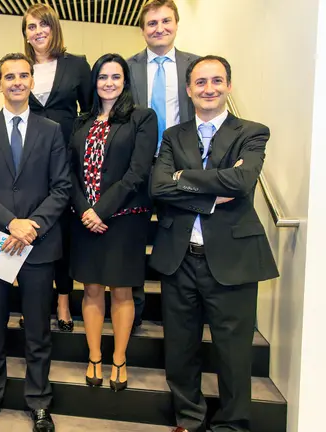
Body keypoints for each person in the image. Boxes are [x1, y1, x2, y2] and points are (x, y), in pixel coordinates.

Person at [149, 56, 279, 432]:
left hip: (233, 259)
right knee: (180, 348)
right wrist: (210, 192)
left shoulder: (252, 132)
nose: (209, 88)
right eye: (201, 82)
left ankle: (232, 425)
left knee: (234, 352)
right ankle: (188, 419)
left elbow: (242, 182)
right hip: (179, 258)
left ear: (228, 86)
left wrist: (183, 178)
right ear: (189, 90)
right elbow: (159, 187)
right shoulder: (173, 136)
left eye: (217, 81)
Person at [0, 53, 70, 432]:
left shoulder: (51, 130)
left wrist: (32, 226)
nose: (17, 82)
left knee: (38, 329)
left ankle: (39, 401)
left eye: (24, 75)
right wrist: (11, 223)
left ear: (32, 82)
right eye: (9, 76)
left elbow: (62, 187)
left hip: (38, 243)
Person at [68, 54, 157, 390]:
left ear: (125, 81)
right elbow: (69, 172)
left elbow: (138, 171)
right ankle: (94, 356)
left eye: (115, 77)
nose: (108, 83)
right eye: (102, 77)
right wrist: (84, 210)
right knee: (91, 290)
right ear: (94, 82)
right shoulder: (81, 122)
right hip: (85, 219)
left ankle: (119, 358)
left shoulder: (142, 118)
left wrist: (101, 211)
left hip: (123, 219)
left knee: (121, 291)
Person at [126, 0, 199, 332]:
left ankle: (178, 315)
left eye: (165, 21)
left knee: (177, 240)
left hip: (178, 165)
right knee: (133, 239)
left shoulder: (194, 66)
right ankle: (134, 311)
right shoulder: (127, 68)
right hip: (138, 165)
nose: (159, 28)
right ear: (142, 30)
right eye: (152, 23)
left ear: (176, 24)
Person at [21, 3, 91, 332]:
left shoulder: (76, 65)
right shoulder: (22, 68)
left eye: (43, 25)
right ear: (25, 35)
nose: (38, 32)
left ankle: (63, 299)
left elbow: (90, 112)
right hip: (29, 163)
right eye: (31, 27)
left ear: (54, 27)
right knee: (30, 229)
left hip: (66, 163)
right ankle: (32, 302)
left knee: (62, 233)